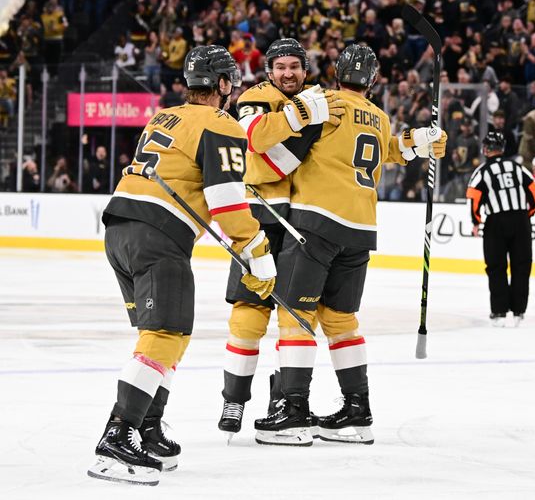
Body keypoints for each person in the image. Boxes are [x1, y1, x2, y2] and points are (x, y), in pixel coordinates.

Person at [88, 46, 278, 486]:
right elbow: (226, 201)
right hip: (158, 236)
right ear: (225, 85)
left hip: (120, 229)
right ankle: (117, 437)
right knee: (166, 334)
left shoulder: (164, 117)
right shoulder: (220, 122)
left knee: (163, 336)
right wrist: (256, 249)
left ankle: (148, 428)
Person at [252, 44, 447, 446]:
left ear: (335, 71)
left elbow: (275, 149)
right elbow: (390, 150)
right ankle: (358, 413)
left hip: (315, 223)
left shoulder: (322, 102)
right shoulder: (379, 116)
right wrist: (418, 142)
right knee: (341, 322)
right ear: (373, 80)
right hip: (360, 229)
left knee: (297, 318)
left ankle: (293, 412)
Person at [217, 38, 344, 438]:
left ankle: (283, 401)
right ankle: (234, 400)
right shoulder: (256, 96)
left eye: (295, 66)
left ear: (305, 69)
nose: (287, 73)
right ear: (269, 70)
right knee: (248, 312)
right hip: (258, 214)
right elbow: (256, 138)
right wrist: (306, 115)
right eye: (280, 66)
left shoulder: (317, 98)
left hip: (302, 219)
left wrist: (406, 147)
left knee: (293, 314)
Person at [466, 131, 535, 328]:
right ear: (502, 148)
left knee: (496, 267)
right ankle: (519, 312)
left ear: (485, 149)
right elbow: (534, 191)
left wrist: (476, 220)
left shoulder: (482, 171)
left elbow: (473, 196)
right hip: (520, 220)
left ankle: (499, 312)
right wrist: (527, 215)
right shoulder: (517, 167)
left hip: (495, 223)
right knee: (521, 266)